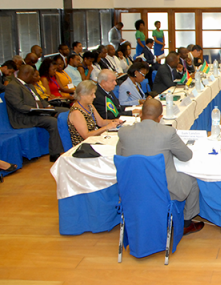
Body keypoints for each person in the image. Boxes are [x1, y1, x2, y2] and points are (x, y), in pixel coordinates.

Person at [116, 99, 204, 236]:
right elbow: (186, 156)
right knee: (192, 180)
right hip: (163, 190)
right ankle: (186, 223)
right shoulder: (167, 133)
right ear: (160, 117)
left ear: (140, 114)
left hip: (132, 189)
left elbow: (120, 155)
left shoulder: (124, 132)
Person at [5, 65, 66, 161]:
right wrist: (38, 111)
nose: (35, 77)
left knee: (65, 111)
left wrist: (48, 107)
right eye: (33, 75)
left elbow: (40, 99)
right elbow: (19, 106)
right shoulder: (12, 86)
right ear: (27, 74)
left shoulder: (29, 85)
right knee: (52, 122)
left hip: (38, 112)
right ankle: (55, 154)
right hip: (24, 117)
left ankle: (70, 143)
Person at [67, 80, 122, 145]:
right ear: (82, 95)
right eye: (91, 94)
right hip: (84, 145)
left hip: (95, 140)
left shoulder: (90, 105)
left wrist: (113, 121)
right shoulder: (76, 112)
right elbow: (86, 136)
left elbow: (100, 122)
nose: (94, 96)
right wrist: (107, 127)